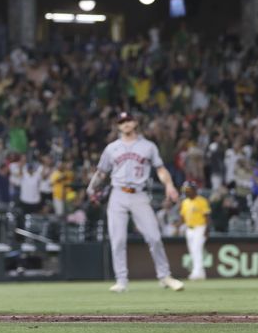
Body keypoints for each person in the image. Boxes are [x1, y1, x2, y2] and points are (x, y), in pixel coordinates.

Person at [86, 112, 185, 293]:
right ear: (118, 126)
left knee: (154, 237)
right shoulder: (112, 148)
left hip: (139, 194)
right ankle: (121, 280)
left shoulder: (148, 146)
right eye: (121, 121)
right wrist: (92, 188)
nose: (125, 124)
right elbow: (101, 173)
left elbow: (161, 169)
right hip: (118, 194)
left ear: (135, 123)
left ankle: (165, 276)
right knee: (118, 239)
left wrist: (169, 186)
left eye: (128, 120)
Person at [178, 181, 210, 280]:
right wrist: (181, 226)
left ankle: (196, 272)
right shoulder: (185, 202)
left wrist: (207, 230)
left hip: (200, 228)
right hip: (189, 229)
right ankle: (201, 272)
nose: (187, 192)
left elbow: (207, 216)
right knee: (192, 250)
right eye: (185, 190)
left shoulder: (202, 201)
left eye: (188, 190)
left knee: (197, 249)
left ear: (194, 190)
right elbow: (182, 216)